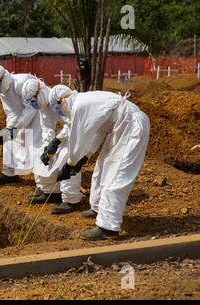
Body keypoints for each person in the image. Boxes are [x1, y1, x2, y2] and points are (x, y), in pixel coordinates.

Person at [52, 87, 150, 240]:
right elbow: (97, 133)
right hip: (119, 126)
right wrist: (84, 158)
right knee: (102, 166)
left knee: (117, 173)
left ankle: (108, 227)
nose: (60, 111)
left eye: (58, 107)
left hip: (131, 125)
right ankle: (98, 208)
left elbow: (78, 138)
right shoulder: (86, 103)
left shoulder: (79, 106)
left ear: (62, 100)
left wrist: (70, 164)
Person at [21, 80, 83, 214]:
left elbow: (71, 124)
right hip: (66, 134)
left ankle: (71, 200)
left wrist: (56, 141)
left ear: (40, 91)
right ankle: (51, 192)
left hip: (78, 132)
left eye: (33, 101)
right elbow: (47, 127)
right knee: (43, 154)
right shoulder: (43, 106)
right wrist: (47, 147)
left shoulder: (58, 97)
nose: (34, 105)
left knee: (68, 156)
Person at [0, 65, 40, 185]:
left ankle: (44, 185)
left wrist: (16, 127)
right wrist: (9, 128)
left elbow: (32, 108)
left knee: (37, 146)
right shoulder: (3, 92)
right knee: (8, 140)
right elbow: (11, 112)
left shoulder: (22, 82)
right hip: (22, 117)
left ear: (4, 77)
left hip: (39, 115)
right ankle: (9, 174)